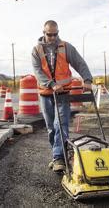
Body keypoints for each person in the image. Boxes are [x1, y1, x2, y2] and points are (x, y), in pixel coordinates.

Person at [32, 20, 93, 172]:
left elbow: (79, 63)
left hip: (63, 93)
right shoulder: (36, 50)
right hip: (46, 93)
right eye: (49, 34)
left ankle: (59, 157)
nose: (52, 37)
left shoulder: (66, 47)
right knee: (51, 128)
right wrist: (52, 84)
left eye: (55, 34)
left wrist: (87, 79)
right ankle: (57, 155)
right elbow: (38, 72)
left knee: (61, 124)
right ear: (43, 32)